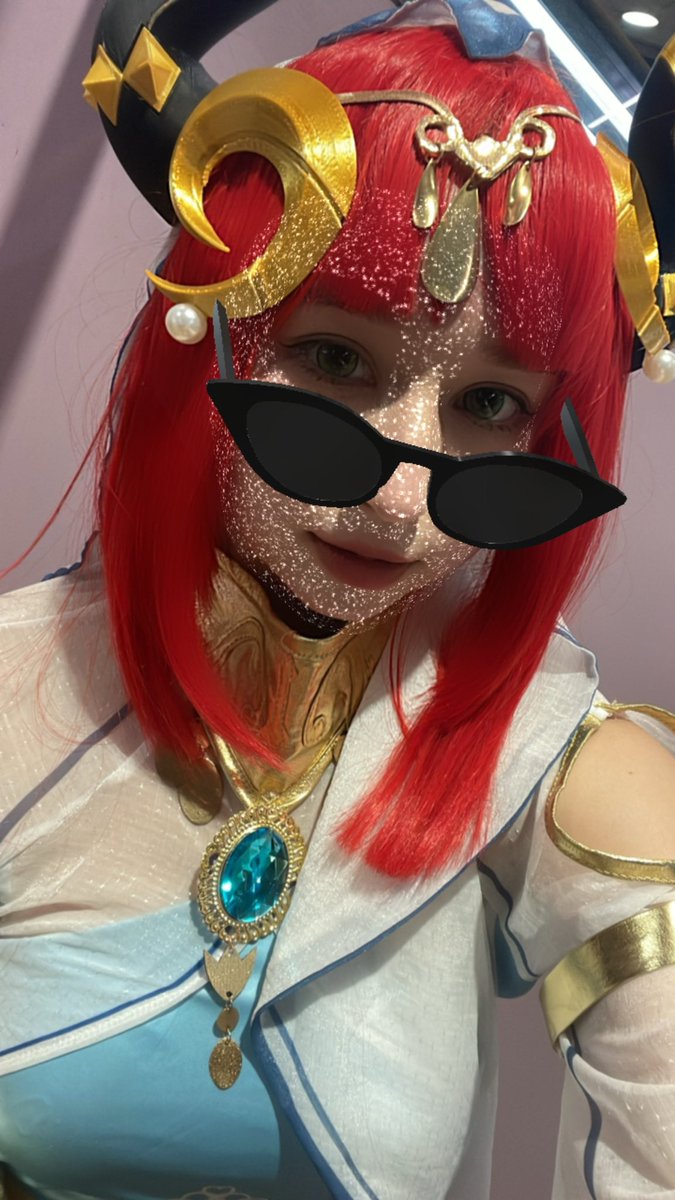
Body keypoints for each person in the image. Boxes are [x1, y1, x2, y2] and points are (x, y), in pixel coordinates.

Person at [1, 1, 675, 1197]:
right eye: (334, 359)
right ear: (209, 338)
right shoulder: (18, 682)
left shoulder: (553, 762)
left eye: (488, 406)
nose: (401, 499)